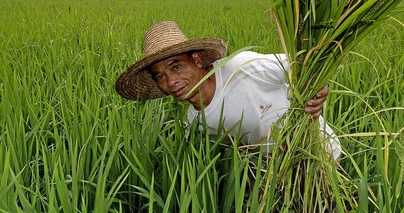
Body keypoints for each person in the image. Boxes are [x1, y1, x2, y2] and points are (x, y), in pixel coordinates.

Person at [114, 21, 341, 160]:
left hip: (320, 156)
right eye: (160, 76)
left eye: (176, 66)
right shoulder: (195, 125)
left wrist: (317, 91)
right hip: (272, 174)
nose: (171, 81)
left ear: (196, 59)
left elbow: (309, 66)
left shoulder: (243, 67)